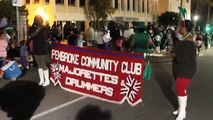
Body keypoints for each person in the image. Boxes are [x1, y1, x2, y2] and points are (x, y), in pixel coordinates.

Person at [167, 20, 197, 120]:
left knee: (179, 89)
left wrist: (171, 54)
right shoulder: (185, 38)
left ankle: (182, 112)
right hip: (181, 68)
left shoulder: (188, 41)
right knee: (181, 89)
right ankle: (181, 108)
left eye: (180, 27)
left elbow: (183, 56)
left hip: (186, 69)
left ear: (184, 28)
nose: (178, 29)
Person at [28, 15, 51, 86]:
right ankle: (41, 80)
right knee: (39, 64)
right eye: (37, 20)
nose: (39, 21)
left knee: (43, 64)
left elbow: (49, 37)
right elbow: (30, 36)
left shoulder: (45, 28)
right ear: (35, 21)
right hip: (36, 48)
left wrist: (47, 40)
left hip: (43, 48)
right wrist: (37, 30)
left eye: (40, 19)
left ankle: (47, 80)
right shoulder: (32, 28)